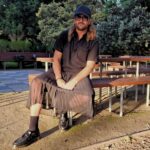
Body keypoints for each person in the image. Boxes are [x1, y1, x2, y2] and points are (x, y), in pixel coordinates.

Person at [13, 5, 99, 148]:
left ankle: (63, 112)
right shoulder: (64, 35)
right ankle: (33, 130)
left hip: (79, 74)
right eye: (78, 16)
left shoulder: (93, 40)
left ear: (89, 21)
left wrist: (73, 81)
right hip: (59, 71)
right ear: (74, 19)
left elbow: (89, 66)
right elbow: (56, 59)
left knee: (87, 96)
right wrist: (58, 78)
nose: (81, 20)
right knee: (36, 83)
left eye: (85, 17)